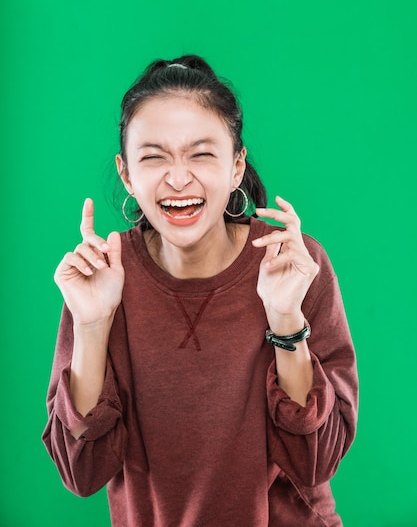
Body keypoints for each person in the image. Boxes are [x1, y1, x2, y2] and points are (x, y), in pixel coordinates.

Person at [42, 55, 358, 527]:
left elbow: (317, 461)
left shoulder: (291, 261)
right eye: (153, 156)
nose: (177, 178)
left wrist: (286, 316)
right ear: (126, 174)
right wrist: (91, 324)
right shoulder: (103, 274)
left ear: (236, 166)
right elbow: (81, 472)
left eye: (201, 153)